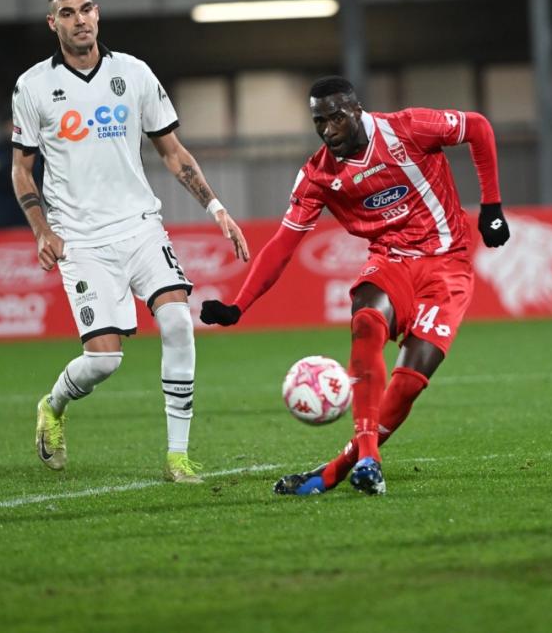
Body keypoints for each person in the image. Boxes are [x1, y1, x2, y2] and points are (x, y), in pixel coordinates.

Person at [199, 76, 510, 496]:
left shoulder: (408, 128)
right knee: (366, 319)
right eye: (319, 122)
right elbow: (282, 246)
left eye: (336, 118)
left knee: (409, 381)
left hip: (447, 266)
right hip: (391, 261)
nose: (328, 130)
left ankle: (336, 469)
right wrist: (239, 305)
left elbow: (478, 128)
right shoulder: (317, 176)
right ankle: (368, 458)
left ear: (357, 111)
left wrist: (491, 204)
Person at [11, 0, 249, 484]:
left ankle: (178, 457)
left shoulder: (134, 73)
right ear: (53, 23)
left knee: (180, 324)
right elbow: (21, 169)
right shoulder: (32, 87)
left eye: (87, 9)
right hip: (81, 241)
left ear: (98, 14)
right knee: (103, 363)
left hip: (141, 228)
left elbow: (172, 152)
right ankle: (52, 406)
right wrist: (41, 231)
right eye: (68, 13)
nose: (80, 20)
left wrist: (217, 208)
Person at [0, 118, 43, 230]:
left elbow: (39, 174)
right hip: (2, 209)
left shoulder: (31, 150)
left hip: (27, 207)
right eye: (10, 125)